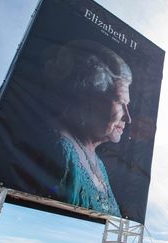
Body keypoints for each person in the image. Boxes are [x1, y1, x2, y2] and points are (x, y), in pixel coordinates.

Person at [45, 40, 132, 217]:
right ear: (86, 98)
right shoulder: (58, 150)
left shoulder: (97, 162)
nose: (128, 118)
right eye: (120, 103)